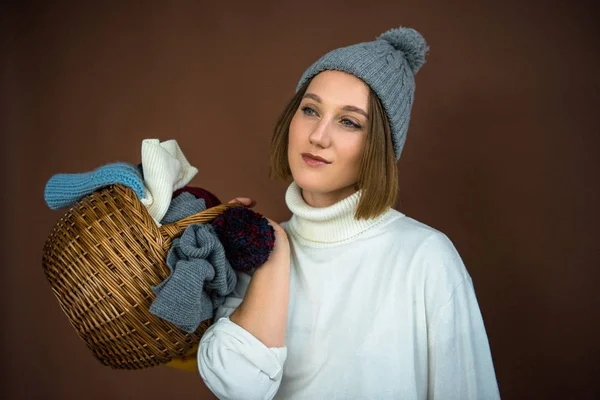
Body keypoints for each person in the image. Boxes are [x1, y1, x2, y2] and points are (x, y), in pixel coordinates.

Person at [197, 26, 501, 400]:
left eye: (349, 121)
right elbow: (240, 388)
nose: (318, 136)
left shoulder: (426, 258)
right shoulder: (256, 250)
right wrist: (275, 255)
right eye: (310, 110)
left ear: (378, 148)